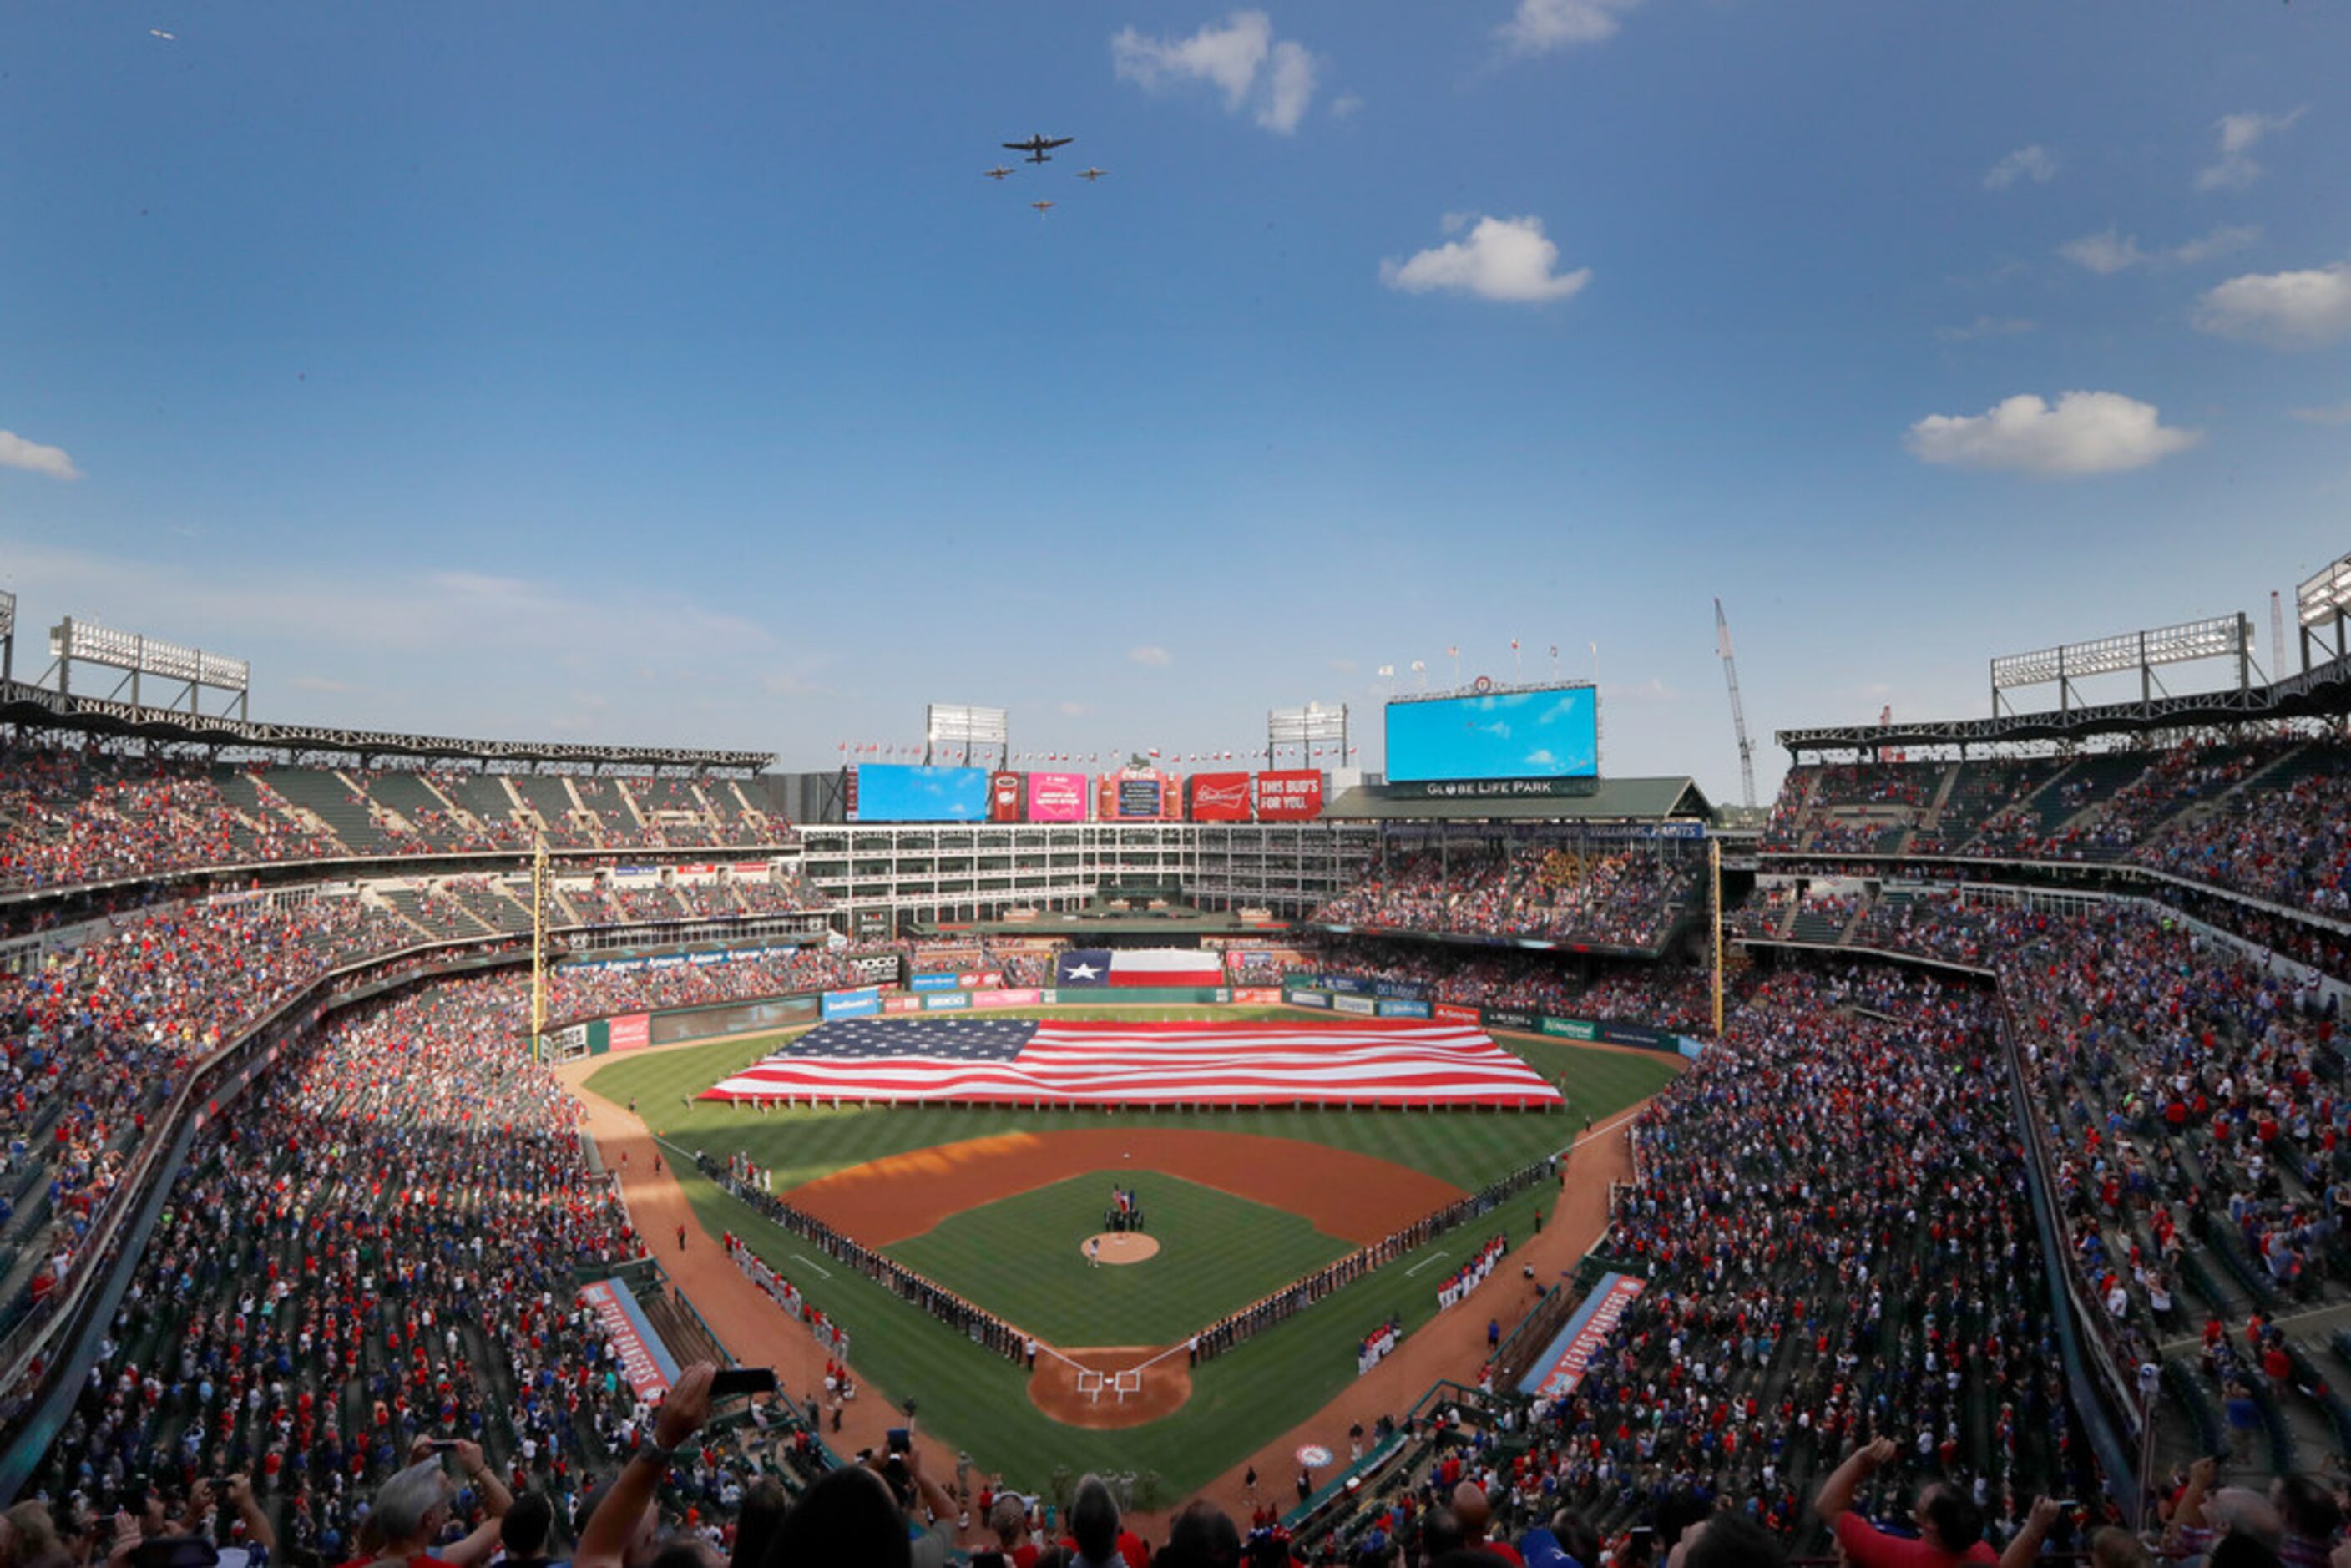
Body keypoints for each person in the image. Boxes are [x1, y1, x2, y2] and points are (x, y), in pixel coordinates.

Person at [1813, 1439, 1995, 1567]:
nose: (1923, 1491)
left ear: (1932, 1523)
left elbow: (1827, 1506)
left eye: (1926, 1498)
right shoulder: (1984, 1554)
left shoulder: (1895, 1556)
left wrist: (1861, 1460)